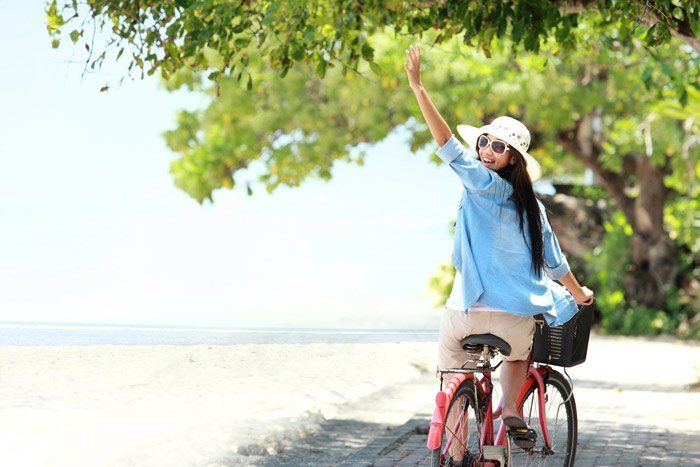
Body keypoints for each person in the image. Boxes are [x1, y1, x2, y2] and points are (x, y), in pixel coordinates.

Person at [404, 43, 595, 455]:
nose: (486, 150)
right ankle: (510, 409)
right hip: (513, 319)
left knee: (452, 371)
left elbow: (445, 142)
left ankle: (454, 453)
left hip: (464, 314)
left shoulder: (480, 185)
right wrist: (578, 295)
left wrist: (419, 89)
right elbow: (555, 264)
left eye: (496, 147)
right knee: (516, 356)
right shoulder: (533, 208)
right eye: (484, 142)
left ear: (511, 160)